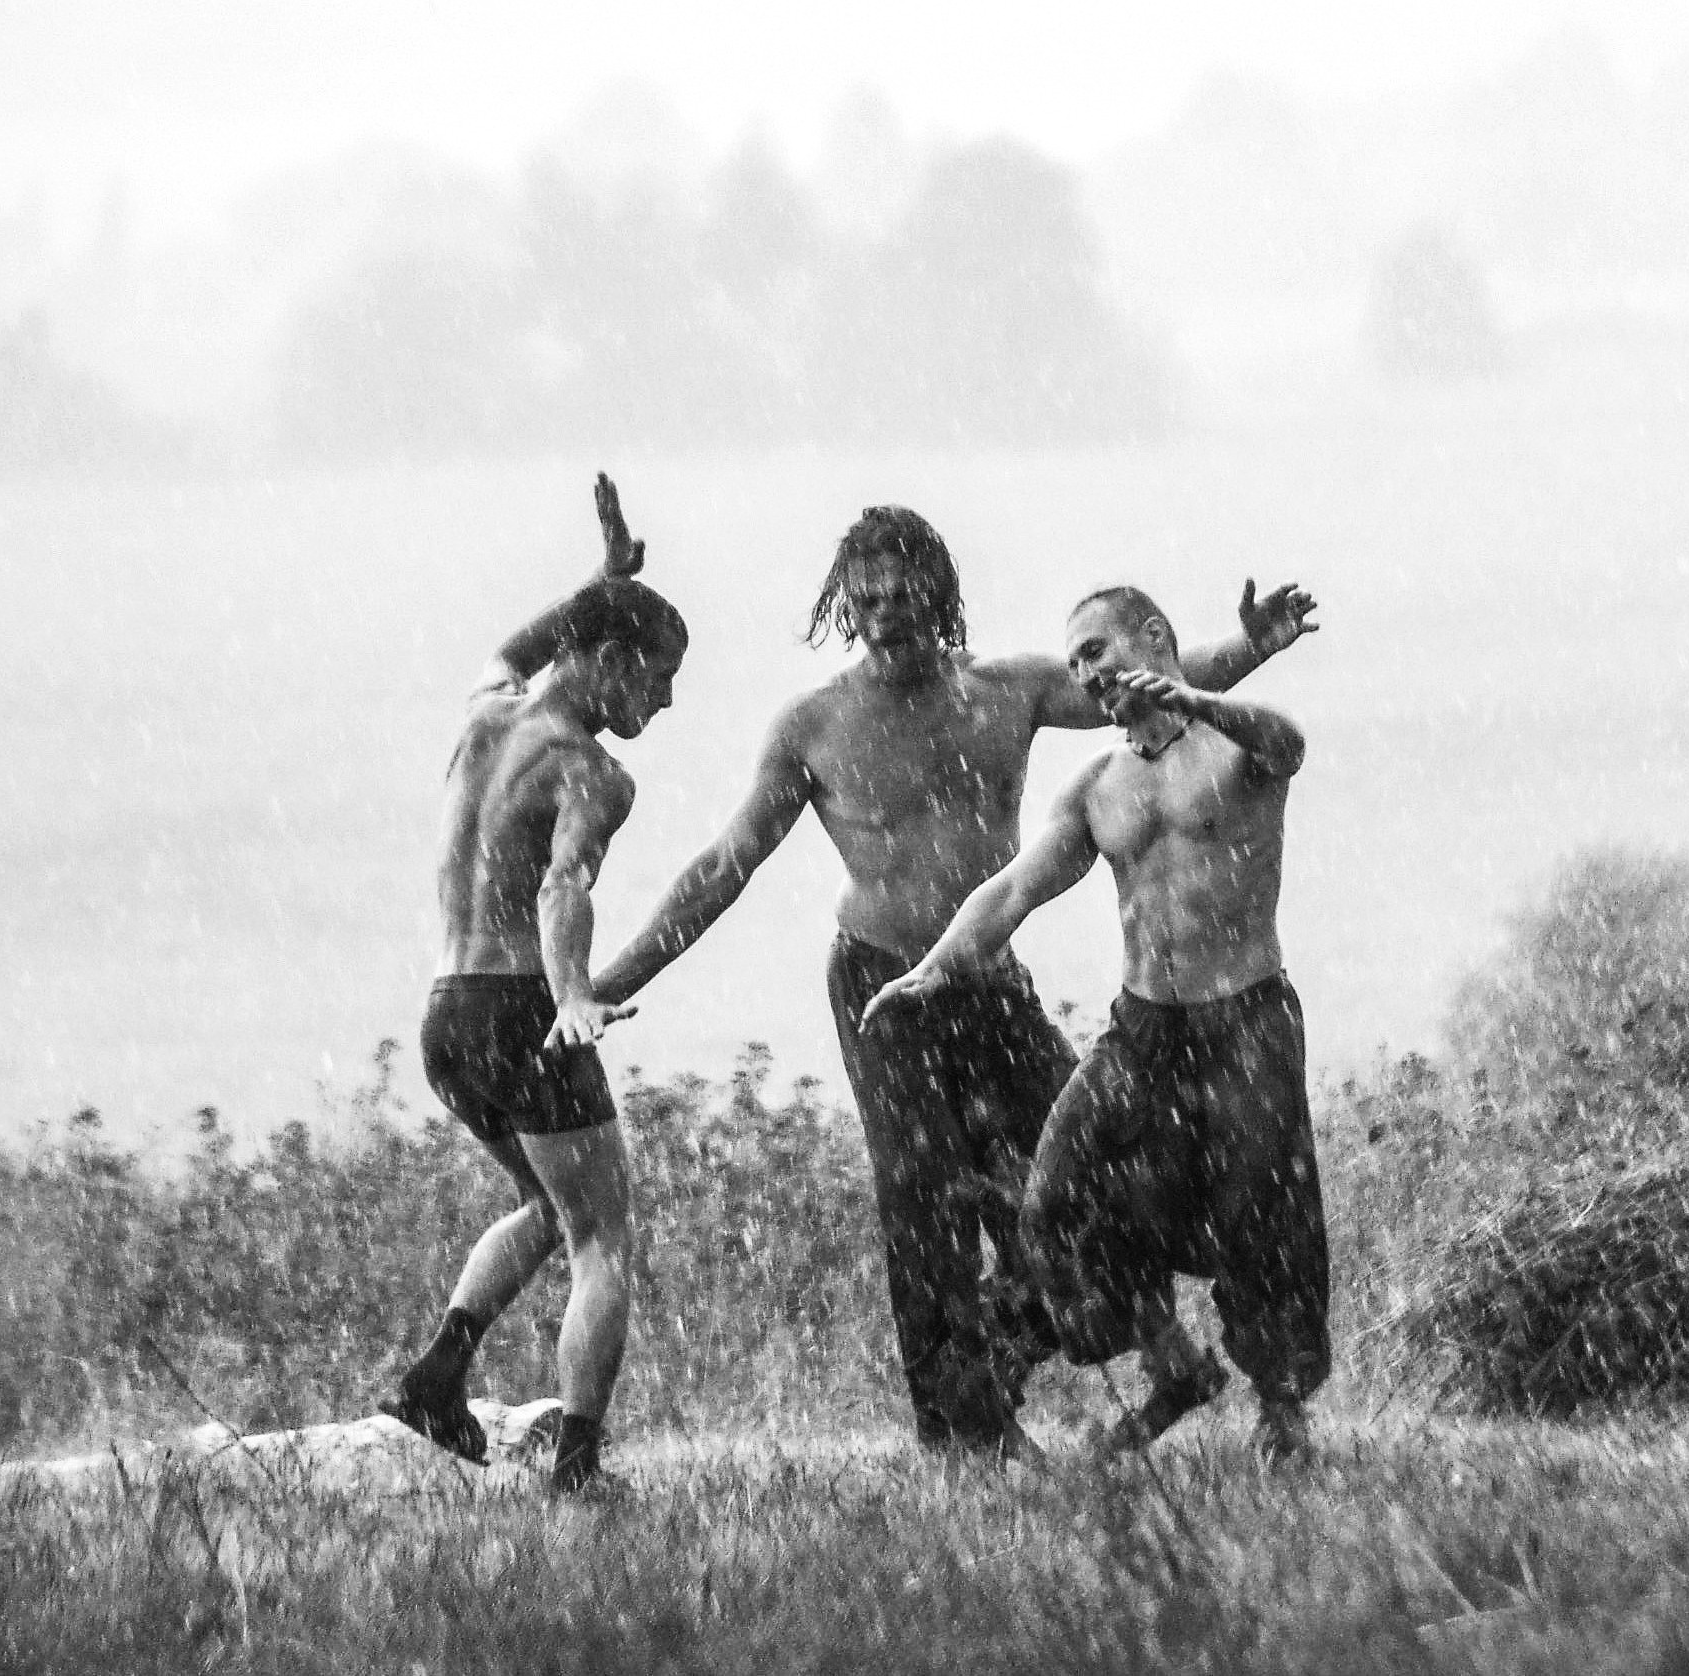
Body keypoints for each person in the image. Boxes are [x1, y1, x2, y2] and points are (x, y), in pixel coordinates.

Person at [593, 506, 1316, 1456]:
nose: (886, 612)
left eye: (903, 593)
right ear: (844, 606)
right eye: (867, 597)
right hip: (882, 984)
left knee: (1087, 1179)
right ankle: (964, 1426)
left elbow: (1136, 688)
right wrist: (606, 981)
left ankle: (1144, 1356)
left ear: (939, 593)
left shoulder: (1002, 691)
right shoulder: (815, 726)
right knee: (921, 1200)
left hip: (987, 977)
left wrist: (1251, 649)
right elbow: (727, 864)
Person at [862, 585, 1328, 1462]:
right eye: (1073, 660)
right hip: (1144, 1028)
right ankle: (1153, 1361)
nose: (1084, 672)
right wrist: (930, 972)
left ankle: (1282, 1409)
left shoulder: (1235, 743)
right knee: (1057, 1189)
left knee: (1261, 1213)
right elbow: (1012, 890)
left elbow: (1290, 743)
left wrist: (1193, 697)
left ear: (1154, 637)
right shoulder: (1097, 787)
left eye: (1096, 649)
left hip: (1247, 1019)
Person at [380, 474, 684, 1493]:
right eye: (658, 674)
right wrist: (571, 995)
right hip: (521, 1009)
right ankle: (578, 1466)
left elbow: (520, 647)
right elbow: (563, 884)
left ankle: (439, 1372)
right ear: (606, 660)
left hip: (446, 1017)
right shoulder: (594, 772)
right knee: (604, 1233)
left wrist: (598, 580)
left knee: (546, 1206)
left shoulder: (484, 716)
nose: (667, 699)